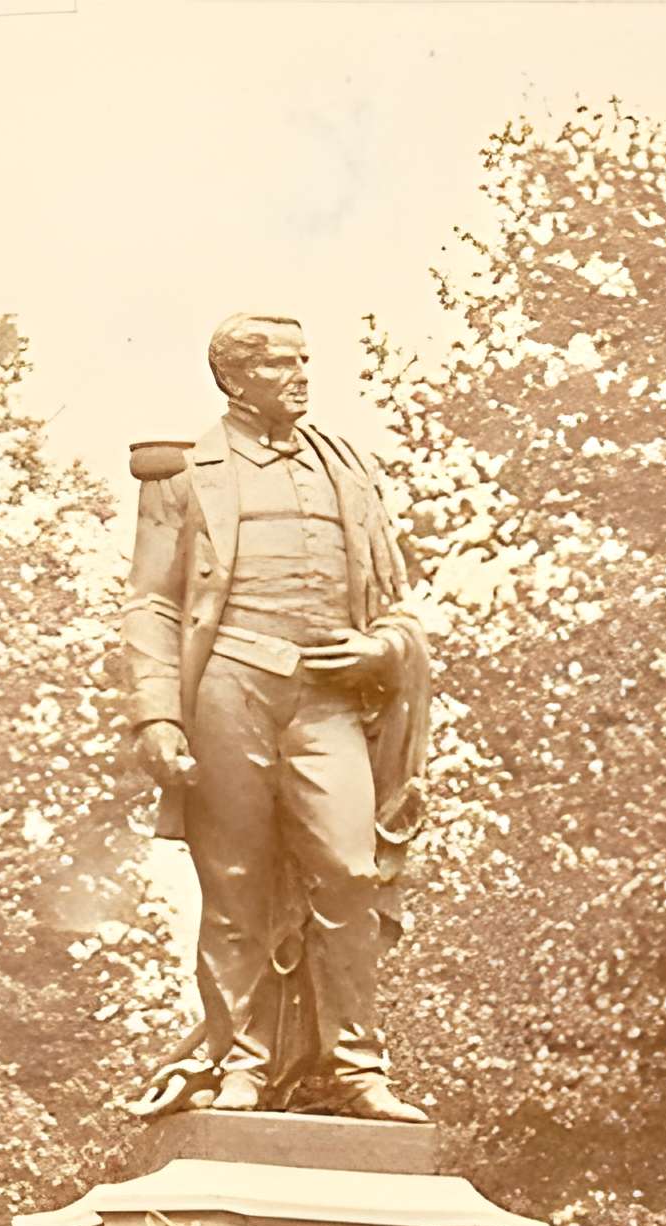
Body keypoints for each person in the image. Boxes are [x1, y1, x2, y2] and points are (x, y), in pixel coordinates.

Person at [121, 312, 432, 1123]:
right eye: (281, 365)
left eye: (304, 361)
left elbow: (396, 605)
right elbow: (152, 602)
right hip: (231, 686)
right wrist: (158, 716)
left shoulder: (349, 470)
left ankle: (357, 1068)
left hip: (328, 698)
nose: (300, 376)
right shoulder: (184, 473)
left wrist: (383, 653)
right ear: (234, 377)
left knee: (349, 871)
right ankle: (244, 1065)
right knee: (235, 887)